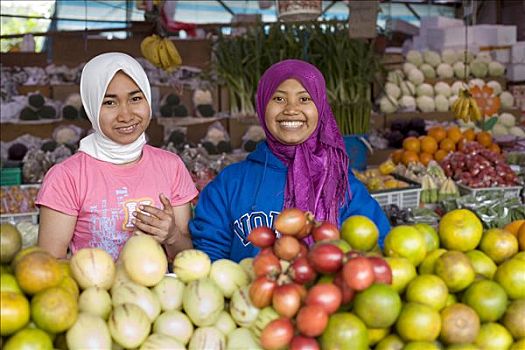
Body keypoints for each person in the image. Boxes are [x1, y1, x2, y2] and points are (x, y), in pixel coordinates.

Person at [190, 59, 390, 262]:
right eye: (279, 98)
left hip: (324, 292)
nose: (291, 109)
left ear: (320, 108)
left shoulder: (341, 184)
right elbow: (208, 257)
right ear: (262, 106)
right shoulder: (230, 183)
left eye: (304, 99)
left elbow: (376, 246)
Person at [36, 52, 198, 260]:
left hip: (160, 291)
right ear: (92, 107)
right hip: (94, 291)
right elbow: (48, 265)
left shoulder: (171, 166)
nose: (126, 115)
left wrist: (172, 235)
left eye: (135, 99)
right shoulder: (67, 177)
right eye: (110, 103)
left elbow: (187, 259)